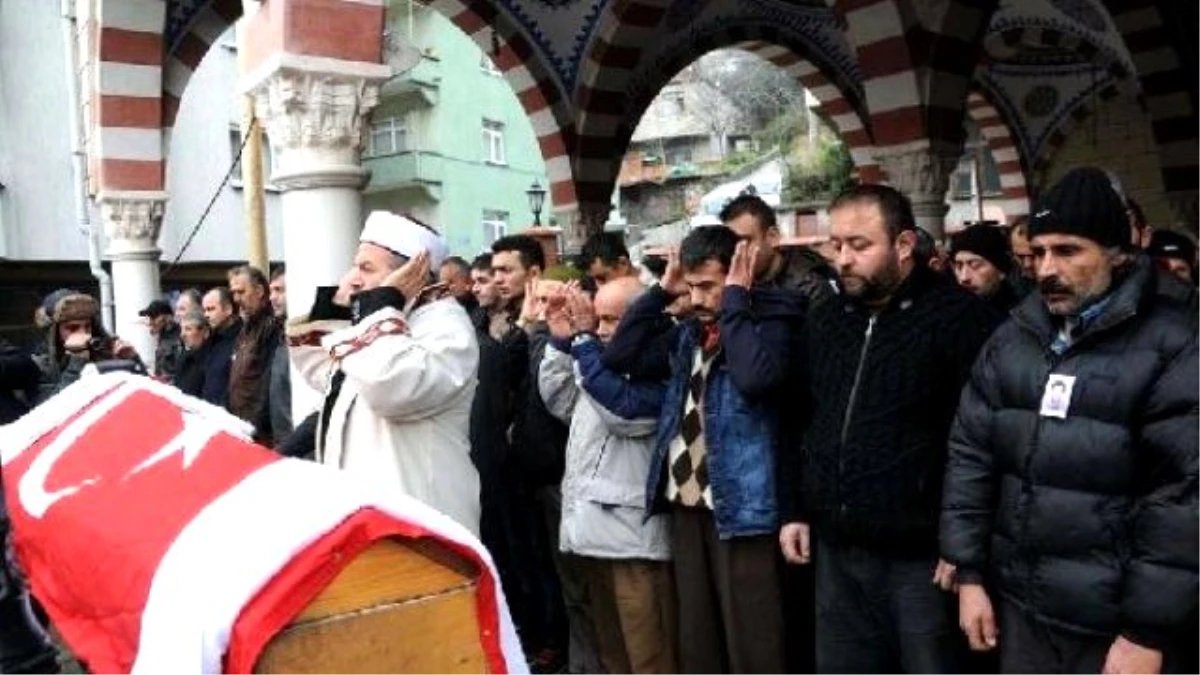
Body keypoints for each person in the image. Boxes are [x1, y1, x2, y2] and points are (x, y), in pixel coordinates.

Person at [941, 167, 1200, 675]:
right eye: (1038, 253)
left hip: (1114, 630)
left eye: (1068, 251)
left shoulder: (1175, 343)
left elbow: (1183, 499)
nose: (1046, 270)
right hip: (1023, 612)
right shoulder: (1014, 338)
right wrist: (969, 573)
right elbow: (971, 454)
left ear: (1117, 252)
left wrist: (1146, 633)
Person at [778, 184, 1001, 675]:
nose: (844, 259)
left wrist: (963, 548)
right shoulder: (826, 321)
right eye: (836, 245)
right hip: (836, 550)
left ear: (903, 245)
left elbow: (982, 442)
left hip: (922, 559)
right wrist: (794, 507)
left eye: (860, 245)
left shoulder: (960, 320)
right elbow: (799, 418)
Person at [605, 225, 803, 675]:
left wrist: (735, 301)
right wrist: (659, 292)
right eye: (691, 287)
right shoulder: (689, 333)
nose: (697, 298)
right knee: (698, 639)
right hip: (687, 504)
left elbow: (755, 378)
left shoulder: (773, 321)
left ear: (740, 273)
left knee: (753, 640)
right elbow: (620, 356)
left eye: (709, 286)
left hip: (744, 509)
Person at [287, 210, 480, 534]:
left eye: (366, 268)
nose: (353, 277)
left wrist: (381, 303)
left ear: (412, 275)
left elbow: (391, 388)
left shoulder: (445, 327)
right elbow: (319, 366)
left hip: (421, 526)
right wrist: (340, 305)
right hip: (368, 521)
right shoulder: (378, 326)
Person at [539, 278, 677, 675]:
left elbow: (624, 416)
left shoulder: (662, 362)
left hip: (635, 542)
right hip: (593, 533)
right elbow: (560, 402)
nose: (599, 330)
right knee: (613, 654)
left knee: (649, 655)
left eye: (612, 320)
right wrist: (561, 344)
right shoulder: (598, 359)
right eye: (596, 319)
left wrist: (583, 344)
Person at [720, 193, 835, 307]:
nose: (737, 252)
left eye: (745, 241)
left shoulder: (809, 288)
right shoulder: (726, 279)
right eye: (732, 243)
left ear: (773, 237)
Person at [34, 293, 140, 403]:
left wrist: (133, 361)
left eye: (87, 326)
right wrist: (76, 362)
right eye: (72, 328)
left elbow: (139, 394)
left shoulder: (104, 350)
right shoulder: (40, 364)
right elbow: (53, 408)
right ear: (54, 331)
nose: (83, 333)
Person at [227, 266, 282, 432]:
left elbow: (268, 381)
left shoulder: (271, 327)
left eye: (241, 292)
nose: (236, 299)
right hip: (242, 423)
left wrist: (257, 426)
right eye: (233, 293)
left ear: (259, 291)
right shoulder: (246, 328)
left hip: (260, 428)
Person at [950, 224, 1022, 312]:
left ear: (1001, 271)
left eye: (975, 265)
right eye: (959, 266)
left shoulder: (1022, 314)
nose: (964, 277)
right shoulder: (951, 312)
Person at [200, 287, 239, 408]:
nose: (206, 315)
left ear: (228, 309)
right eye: (204, 310)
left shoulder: (243, 339)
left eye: (211, 309)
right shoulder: (212, 340)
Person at [139, 299, 183, 381]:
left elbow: (182, 373)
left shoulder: (181, 337)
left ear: (168, 317)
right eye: (149, 317)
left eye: (154, 317)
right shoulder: (163, 337)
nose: (150, 322)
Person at [171, 311, 211, 398]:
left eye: (188, 329)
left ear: (205, 332)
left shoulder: (212, 361)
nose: (182, 335)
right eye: (182, 329)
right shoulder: (183, 358)